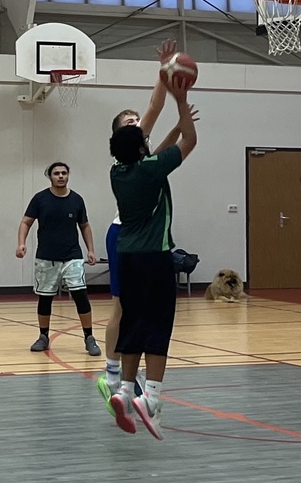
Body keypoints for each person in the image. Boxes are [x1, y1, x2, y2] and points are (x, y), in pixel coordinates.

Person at [104, 68, 198, 439]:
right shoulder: (153, 170)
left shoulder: (117, 171)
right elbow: (191, 140)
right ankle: (153, 398)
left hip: (126, 255)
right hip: (154, 256)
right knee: (159, 324)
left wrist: (169, 123)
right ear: (143, 146)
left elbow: (150, 146)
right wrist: (181, 101)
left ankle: (125, 390)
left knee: (131, 322)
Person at [97, 39, 177, 406]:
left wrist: (164, 71)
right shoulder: (127, 157)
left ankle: (121, 377)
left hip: (133, 238)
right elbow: (154, 107)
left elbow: (162, 135)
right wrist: (164, 73)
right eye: (130, 123)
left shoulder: (138, 161)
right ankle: (114, 375)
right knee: (123, 308)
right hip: (126, 237)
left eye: (136, 121)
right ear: (120, 133)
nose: (137, 124)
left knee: (128, 308)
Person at [17, 162, 99, 355]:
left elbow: (84, 225)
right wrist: (21, 243)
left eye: (64, 173)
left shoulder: (76, 200)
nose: (60, 176)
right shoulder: (40, 199)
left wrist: (91, 250)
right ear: (50, 176)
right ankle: (43, 336)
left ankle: (89, 337)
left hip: (72, 257)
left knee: (81, 296)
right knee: (45, 299)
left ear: (68, 175)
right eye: (56, 173)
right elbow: (26, 222)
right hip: (46, 258)